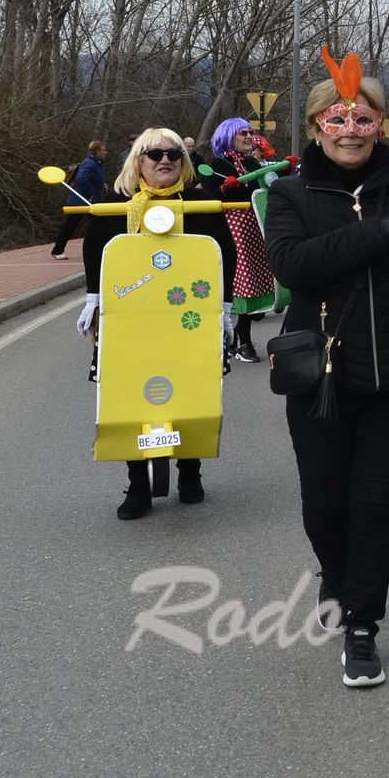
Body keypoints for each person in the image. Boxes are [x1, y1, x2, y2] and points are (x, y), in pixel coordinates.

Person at [264, 50, 389, 688]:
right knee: (324, 507)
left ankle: (362, 625)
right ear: (316, 125)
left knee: (374, 502)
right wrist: (381, 234)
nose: (350, 129)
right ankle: (335, 569)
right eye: (337, 117)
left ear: (382, 125)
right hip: (320, 378)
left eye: (363, 117)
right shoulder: (290, 193)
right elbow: (294, 266)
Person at [79, 127, 227, 520]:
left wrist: (225, 311)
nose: (165, 160)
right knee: (127, 396)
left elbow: (221, 252)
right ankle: (138, 485)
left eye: (174, 153)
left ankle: (190, 470)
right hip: (132, 319)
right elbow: (96, 248)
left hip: (188, 318)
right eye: (154, 153)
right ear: (138, 161)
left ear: (184, 160)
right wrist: (94, 299)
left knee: (193, 388)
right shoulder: (118, 202)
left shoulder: (200, 201)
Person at [203, 116, 275, 364]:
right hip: (230, 232)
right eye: (242, 132)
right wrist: (223, 189)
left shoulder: (252, 161)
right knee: (234, 286)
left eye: (250, 132)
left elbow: (265, 184)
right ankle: (230, 340)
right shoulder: (219, 164)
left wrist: (283, 169)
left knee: (251, 285)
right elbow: (206, 199)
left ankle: (242, 340)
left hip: (253, 230)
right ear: (227, 136)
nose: (248, 136)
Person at [50, 140, 107, 259]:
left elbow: (93, 178)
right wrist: (92, 191)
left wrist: (102, 184)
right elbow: (82, 179)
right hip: (82, 201)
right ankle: (57, 250)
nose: (106, 152)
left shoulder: (96, 163)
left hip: (87, 200)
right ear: (97, 151)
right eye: (104, 150)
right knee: (71, 226)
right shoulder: (90, 163)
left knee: (98, 225)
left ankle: (100, 250)